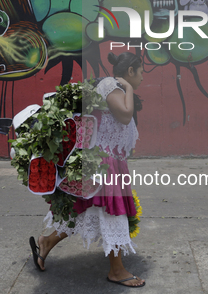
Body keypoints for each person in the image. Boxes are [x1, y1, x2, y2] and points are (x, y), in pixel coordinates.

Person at [29, 51, 145, 288]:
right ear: (130, 71)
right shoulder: (112, 86)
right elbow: (124, 116)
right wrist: (129, 89)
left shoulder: (114, 87)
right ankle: (117, 271)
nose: (142, 78)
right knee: (114, 213)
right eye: (141, 72)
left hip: (107, 160)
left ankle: (47, 242)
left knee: (87, 211)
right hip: (104, 163)